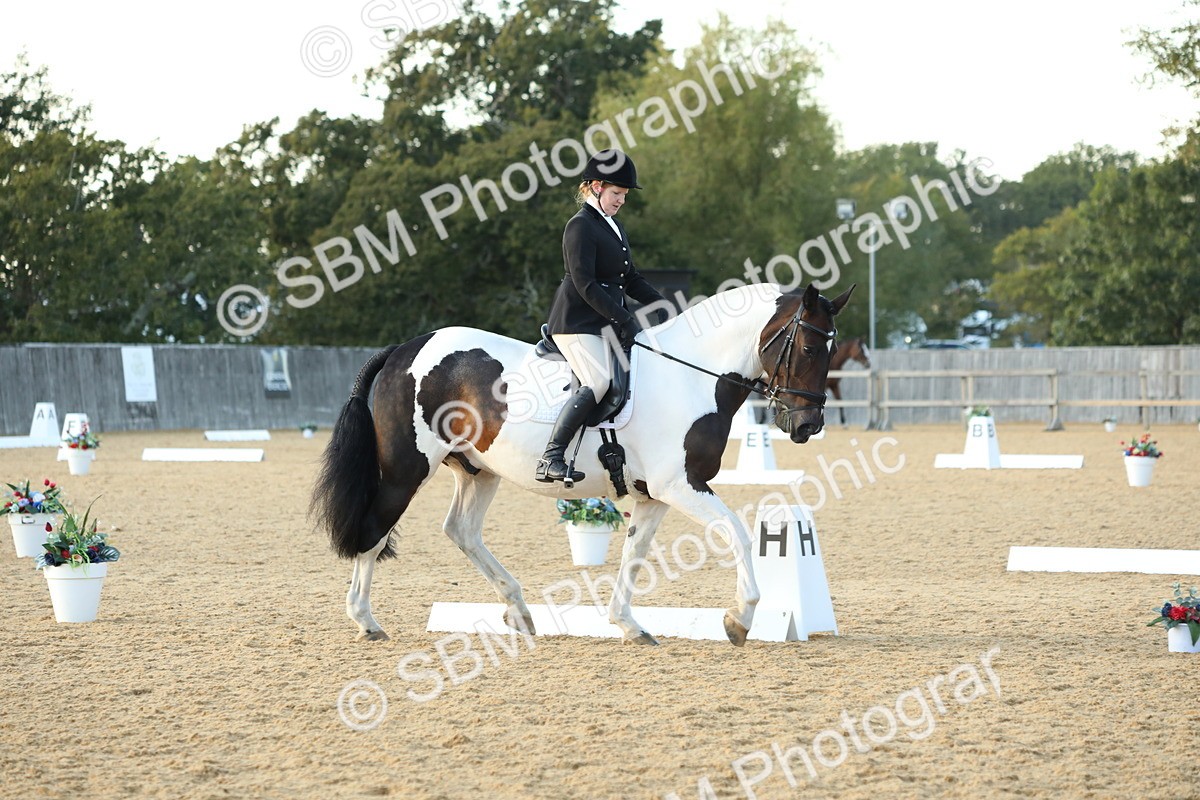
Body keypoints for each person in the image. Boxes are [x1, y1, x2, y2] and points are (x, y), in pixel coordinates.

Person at [535, 148, 667, 484]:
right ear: (596, 187)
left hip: (605, 321)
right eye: (617, 193)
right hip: (577, 321)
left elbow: (630, 278)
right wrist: (624, 318)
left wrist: (661, 304)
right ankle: (551, 457)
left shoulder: (614, 226)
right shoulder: (580, 226)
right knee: (598, 381)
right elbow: (585, 284)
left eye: (624, 195)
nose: (621, 200)